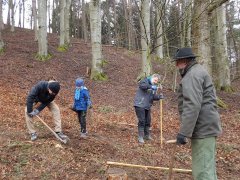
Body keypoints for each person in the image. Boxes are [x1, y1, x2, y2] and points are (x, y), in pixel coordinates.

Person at [173, 47, 222, 180]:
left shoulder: (192, 75)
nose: (177, 65)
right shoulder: (197, 72)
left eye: (178, 62)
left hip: (203, 128)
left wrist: (184, 132)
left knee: (203, 172)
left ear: (185, 60)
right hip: (206, 126)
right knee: (207, 168)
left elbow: (192, 105)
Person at [134, 74, 164, 144]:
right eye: (155, 80)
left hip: (147, 106)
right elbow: (143, 86)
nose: (156, 82)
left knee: (148, 121)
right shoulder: (144, 81)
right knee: (142, 121)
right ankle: (140, 137)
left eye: (157, 81)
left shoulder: (153, 86)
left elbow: (153, 96)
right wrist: (151, 87)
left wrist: (159, 97)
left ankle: (147, 135)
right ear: (152, 77)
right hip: (140, 104)